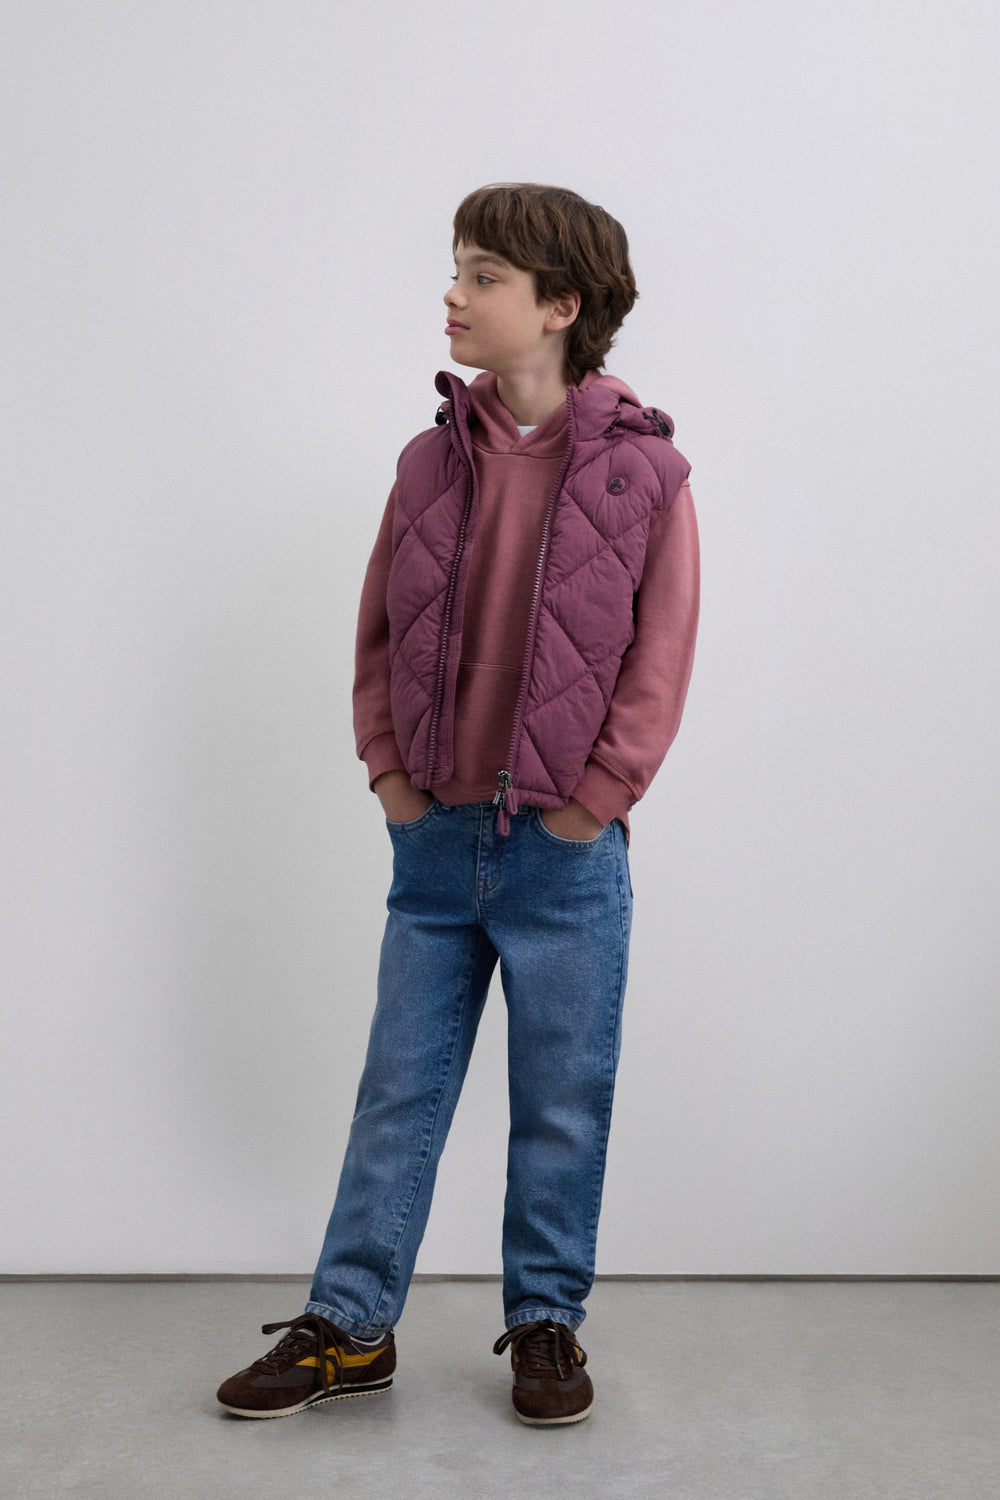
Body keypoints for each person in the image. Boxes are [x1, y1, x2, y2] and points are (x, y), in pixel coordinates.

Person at [217, 182, 700, 1427]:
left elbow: (660, 659)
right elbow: (378, 631)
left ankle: (545, 1325)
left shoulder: (645, 474)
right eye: (458, 268)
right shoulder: (429, 461)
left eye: (484, 275)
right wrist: (389, 775)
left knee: (559, 1105)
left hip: (564, 854)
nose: (453, 293)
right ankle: (349, 1324)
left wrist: (592, 804)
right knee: (399, 1091)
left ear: (559, 306)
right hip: (434, 837)